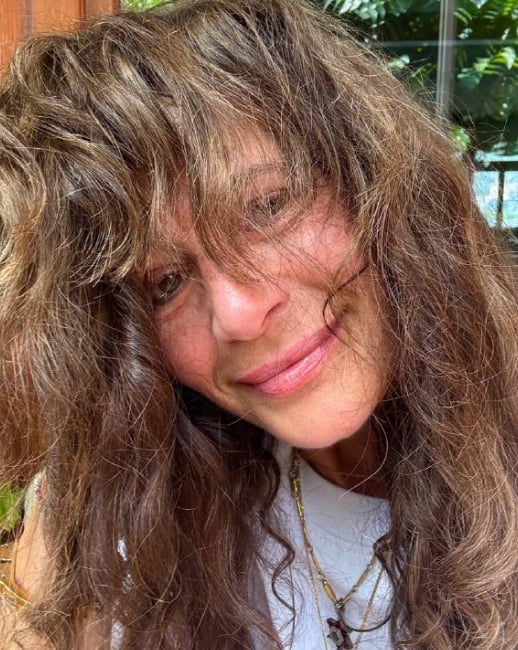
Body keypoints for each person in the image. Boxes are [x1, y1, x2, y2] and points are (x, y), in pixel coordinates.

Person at [0, 0, 517, 648]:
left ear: (377, 177)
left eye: (269, 206)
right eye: (164, 284)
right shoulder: (143, 507)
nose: (240, 314)